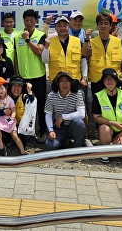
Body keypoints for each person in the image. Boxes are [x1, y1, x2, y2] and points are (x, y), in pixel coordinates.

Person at [41, 15, 91, 147]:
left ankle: (84, 136)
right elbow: (45, 60)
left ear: (69, 27)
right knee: (56, 108)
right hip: (56, 81)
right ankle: (56, 133)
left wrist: (84, 77)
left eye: (65, 25)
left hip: (75, 81)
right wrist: (46, 47)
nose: (62, 28)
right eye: (59, 26)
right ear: (55, 27)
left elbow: (83, 60)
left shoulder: (76, 41)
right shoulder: (51, 41)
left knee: (82, 110)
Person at [82, 12, 122, 138]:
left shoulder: (118, 41)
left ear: (110, 25)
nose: (103, 26)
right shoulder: (91, 41)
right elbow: (83, 55)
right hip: (97, 81)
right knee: (99, 109)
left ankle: (117, 133)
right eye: (100, 23)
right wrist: (86, 39)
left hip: (114, 81)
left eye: (106, 23)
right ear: (97, 25)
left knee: (115, 108)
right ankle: (101, 133)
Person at [15, 9, 47, 141]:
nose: (29, 23)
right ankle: (25, 132)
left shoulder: (41, 35)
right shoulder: (18, 37)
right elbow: (16, 56)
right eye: (26, 20)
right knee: (24, 106)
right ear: (23, 21)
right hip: (23, 77)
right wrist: (17, 75)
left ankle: (42, 131)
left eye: (32, 20)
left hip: (38, 76)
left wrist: (27, 40)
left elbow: (39, 51)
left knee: (40, 105)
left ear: (36, 21)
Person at [92, 68, 122, 163]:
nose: (109, 81)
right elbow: (96, 117)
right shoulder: (98, 96)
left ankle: (116, 146)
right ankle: (105, 151)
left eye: (112, 78)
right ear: (103, 82)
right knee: (104, 129)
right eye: (106, 78)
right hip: (108, 128)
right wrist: (113, 123)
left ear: (116, 81)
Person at [44, 71, 86, 151]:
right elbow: (48, 114)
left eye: (67, 81)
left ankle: (76, 148)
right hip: (59, 127)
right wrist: (51, 130)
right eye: (62, 81)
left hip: (72, 126)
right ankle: (64, 141)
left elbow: (82, 114)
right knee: (49, 145)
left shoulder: (77, 94)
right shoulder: (51, 96)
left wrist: (63, 117)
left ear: (71, 83)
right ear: (57, 83)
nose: (65, 84)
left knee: (79, 122)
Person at [0, 77, 26, 156]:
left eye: (2, 88)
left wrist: (12, 117)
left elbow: (14, 110)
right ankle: (1, 146)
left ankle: (23, 151)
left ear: (6, 88)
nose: (1, 91)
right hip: (0, 118)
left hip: (9, 118)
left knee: (14, 134)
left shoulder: (10, 99)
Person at [7, 76, 34, 148]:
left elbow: (32, 101)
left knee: (22, 139)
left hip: (21, 124)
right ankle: (7, 139)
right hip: (10, 122)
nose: (16, 88)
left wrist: (29, 91)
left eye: (19, 86)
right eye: (14, 85)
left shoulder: (24, 97)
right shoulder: (6, 97)